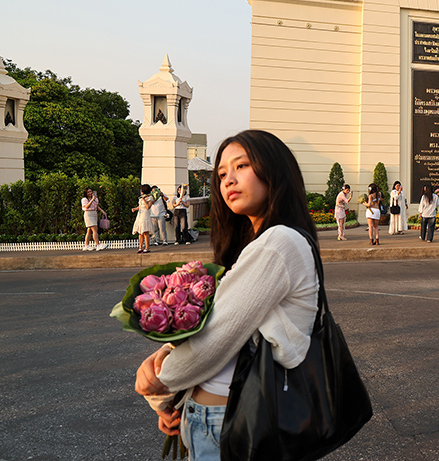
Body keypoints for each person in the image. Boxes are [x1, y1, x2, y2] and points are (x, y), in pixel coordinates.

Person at [134, 130, 320, 461]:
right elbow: (218, 321)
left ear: (274, 170)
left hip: (235, 425)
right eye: (221, 174)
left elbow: (215, 339)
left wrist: (157, 385)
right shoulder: (257, 244)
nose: (228, 180)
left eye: (242, 166)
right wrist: (169, 373)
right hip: (216, 420)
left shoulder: (279, 243)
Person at [81, 187, 108, 251]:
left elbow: (97, 206)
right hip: (88, 214)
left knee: (89, 231)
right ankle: (98, 244)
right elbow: (86, 206)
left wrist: (102, 211)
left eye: (91, 191)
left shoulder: (96, 199)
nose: (90, 193)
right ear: (86, 193)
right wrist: (92, 199)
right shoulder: (84, 199)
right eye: (88, 192)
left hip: (94, 213)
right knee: (95, 229)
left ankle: (86, 245)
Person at [131, 184, 155, 253]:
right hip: (140, 215)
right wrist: (135, 209)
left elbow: (148, 207)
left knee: (145, 232)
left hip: (145, 216)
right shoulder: (141, 197)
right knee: (140, 232)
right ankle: (140, 247)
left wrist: (144, 200)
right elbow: (140, 206)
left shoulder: (150, 197)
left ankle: (147, 247)